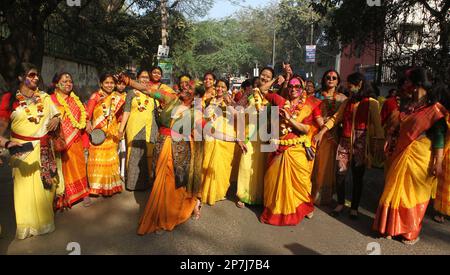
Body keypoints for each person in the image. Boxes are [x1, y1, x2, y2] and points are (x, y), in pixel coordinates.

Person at [117, 72, 203, 234]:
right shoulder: (170, 98)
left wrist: (235, 139)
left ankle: (167, 217)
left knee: (171, 183)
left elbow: (211, 130)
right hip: (162, 145)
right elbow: (147, 89)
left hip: (180, 149)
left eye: (190, 87)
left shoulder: (196, 112)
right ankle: (162, 213)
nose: (185, 87)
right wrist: (128, 81)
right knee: (159, 180)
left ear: (196, 95)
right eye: (185, 85)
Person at [373, 68, 447, 244]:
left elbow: (439, 138)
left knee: (414, 195)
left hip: (421, 158)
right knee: (393, 191)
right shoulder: (407, 105)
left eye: (407, 81)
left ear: (417, 84)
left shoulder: (434, 110)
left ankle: (409, 231)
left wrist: (439, 163)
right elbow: (397, 127)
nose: (404, 85)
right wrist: (390, 137)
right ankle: (390, 227)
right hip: (399, 154)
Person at [0, 63, 62, 239]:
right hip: (22, 151)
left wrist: (56, 119)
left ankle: (45, 223)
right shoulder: (9, 100)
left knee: (47, 188)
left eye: (37, 75)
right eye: (31, 75)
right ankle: (28, 226)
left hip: (44, 147)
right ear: (21, 77)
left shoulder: (44, 97)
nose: (36, 78)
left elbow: (56, 114)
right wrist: (6, 144)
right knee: (25, 189)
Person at [315, 72, 384, 219]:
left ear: (359, 84)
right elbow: (336, 118)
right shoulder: (347, 102)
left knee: (358, 177)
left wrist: (378, 145)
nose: (348, 86)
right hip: (345, 143)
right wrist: (322, 132)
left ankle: (354, 208)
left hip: (361, 145)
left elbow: (378, 127)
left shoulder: (371, 102)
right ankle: (340, 203)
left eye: (350, 84)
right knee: (340, 174)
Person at [259, 74, 319, 225]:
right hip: (278, 146)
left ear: (302, 89)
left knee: (301, 181)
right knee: (273, 181)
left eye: (297, 86)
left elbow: (306, 129)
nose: (293, 89)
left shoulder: (307, 107)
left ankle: (304, 208)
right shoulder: (280, 101)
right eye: (291, 86)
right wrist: (277, 79)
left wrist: (289, 119)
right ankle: (277, 209)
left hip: (296, 148)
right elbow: (262, 89)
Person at [49, 72, 91, 209]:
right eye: (64, 81)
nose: (68, 84)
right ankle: (64, 195)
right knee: (62, 170)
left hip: (76, 140)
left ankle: (84, 192)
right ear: (56, 84)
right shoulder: (50, 100)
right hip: (60, 140)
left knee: (79, 166)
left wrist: (88, 124)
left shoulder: (75, 100)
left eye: (70, 81)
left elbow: (84, 117)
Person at [85, 73, 125, 196]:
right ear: (101, 84)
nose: (109, 85)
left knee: (110, 159)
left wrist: (120, 130)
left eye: (112, 83)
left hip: (112, 132)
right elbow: (88, 113)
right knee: (97, 159)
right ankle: (96, 187)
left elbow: (119, 116)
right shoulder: (96, 96)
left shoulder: (117, 97)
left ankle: (109, 187)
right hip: (98, 133)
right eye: (106, 83)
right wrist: (87, 122)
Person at [118, 69, 158, 191]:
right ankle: (132, 184)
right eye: (142, 77)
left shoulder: (153, 93)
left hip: (151, 126)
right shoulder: (131, 93)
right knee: (134, 153)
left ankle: (148, 181)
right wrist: (121, 129)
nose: (145, 79)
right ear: (138, 78)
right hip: (134, 126)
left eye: (147, 77)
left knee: (149, 154)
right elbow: (126, 111)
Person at [311, 70, 347, 206]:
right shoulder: (317, 96)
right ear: (324, 79)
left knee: (331, 166)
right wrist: (322, 128)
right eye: (328, 77)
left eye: (334, 78)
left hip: (335, 134)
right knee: (318, 164)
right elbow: (313, 113)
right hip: (319, 133)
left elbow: (341, 117)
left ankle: (327, 196)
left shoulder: (343, 98)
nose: (331, 79)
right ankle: (314, 195)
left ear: (338, 81)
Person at [201, 79, 238, 205]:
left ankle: (218, 192)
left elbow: (237, 116)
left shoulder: (229, 101)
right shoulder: (208, 101)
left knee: (221, 167)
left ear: (227, 89)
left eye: (223, 87)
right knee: (207, 163)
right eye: (218, 86)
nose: (220, 89)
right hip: (210, 136)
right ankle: (206, 191)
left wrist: (228, 105)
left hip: (225, 138)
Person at [433, 84, 449, 224]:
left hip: (447, 152)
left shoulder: (443, 112)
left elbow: (440, 135)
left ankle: (442, 212)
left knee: (445, 184)